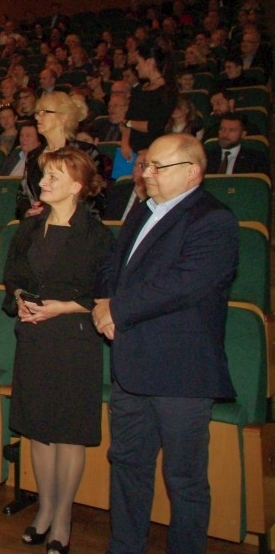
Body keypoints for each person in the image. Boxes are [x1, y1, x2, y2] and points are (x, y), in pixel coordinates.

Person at [93, 134, 237, 554]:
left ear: (193, 172)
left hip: (181, 373)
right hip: (132, 366)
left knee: (184, 480)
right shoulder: (143, 210)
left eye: (158, 167)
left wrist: (117, 309)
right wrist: (104, 301)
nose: (146, 173)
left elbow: (184, 285)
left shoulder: (214, 219)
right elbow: (112, 263)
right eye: (145, 165)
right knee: (127, 468)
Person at [2, 147, 114, 553]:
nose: (43, 182)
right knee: (39, 431)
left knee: (67, 434)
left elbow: (108, 293)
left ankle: (63, 516)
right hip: (33, 337)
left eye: (53, 177)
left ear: (77, 187)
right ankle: (44, 508)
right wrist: (18, 297)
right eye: (44, 174)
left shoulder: (97, 235)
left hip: (74, 340)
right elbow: (12, 275)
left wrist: (64, 306)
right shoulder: (29, 228)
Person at [16, 92, 107, 219]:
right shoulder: (33, 156)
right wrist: (28, 212)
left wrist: (53, 212)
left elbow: (94, 197)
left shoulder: (86, 153)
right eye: (37, 113)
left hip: (74, 228)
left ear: (63, 117)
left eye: (44, 112)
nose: (37, 117)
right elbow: (23, 194)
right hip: (37, 226)